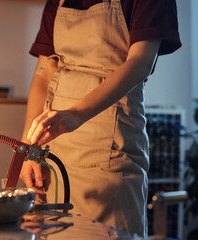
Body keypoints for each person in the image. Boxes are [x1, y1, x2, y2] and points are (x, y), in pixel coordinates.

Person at [19, 0, 181, 237]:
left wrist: (77, 114)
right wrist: (27, 148)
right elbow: (44, 72)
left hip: (109, 147)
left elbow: (141, 62)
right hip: (54, 149)